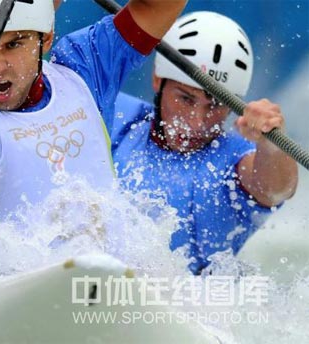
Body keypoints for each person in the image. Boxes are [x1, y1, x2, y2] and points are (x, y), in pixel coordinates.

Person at [0, 0, 188, 232]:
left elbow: (162, 5)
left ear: (47, 38)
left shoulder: (85, 66)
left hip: (106, 279)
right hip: (8, 290)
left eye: (13, 44)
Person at [111, 11, 298, 274]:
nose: (197, 122)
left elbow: (276, 189)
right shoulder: (116, 114)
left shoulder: (234, 159)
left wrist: (272, 144)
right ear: (157, 79)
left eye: (216, 105)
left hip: (181, 307)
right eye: (185, 99)